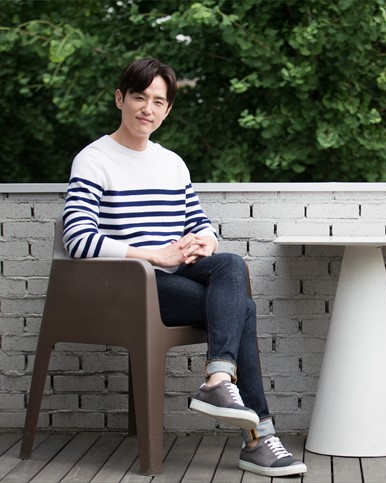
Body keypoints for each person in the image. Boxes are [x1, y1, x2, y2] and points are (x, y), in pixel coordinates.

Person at [62, 57, 307, 477]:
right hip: (129, 285)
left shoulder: (172, 163)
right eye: (139, 98)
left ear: (168, 109)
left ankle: (218, 381)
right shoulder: (94, 159)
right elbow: (77, 240)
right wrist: (155, 255)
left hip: (176, 276)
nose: (148, 109)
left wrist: (206, 240)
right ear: (120, 98)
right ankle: (258, 437)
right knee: (243, 310)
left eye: (158, 101)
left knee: (229, 262)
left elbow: (198, 222)